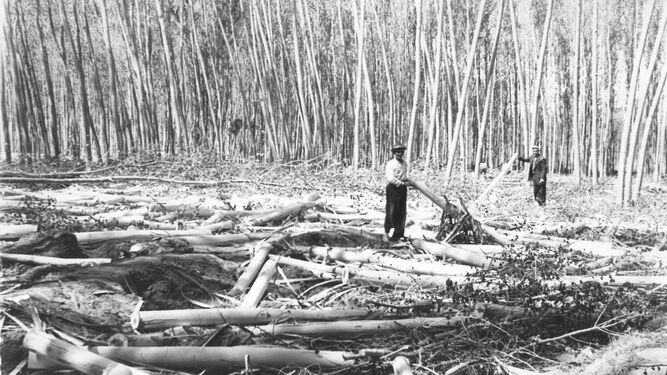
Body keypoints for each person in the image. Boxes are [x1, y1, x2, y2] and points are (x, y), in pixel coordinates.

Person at [384, 144, 410, 241]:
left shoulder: (404, 163)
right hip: (393, 189)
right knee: (391, 211)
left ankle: (398, 235)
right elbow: (390, 178)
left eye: (401, 152)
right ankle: (386, 232)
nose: (399, 154)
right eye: (397, 152)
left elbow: (404, 177)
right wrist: (401, 183)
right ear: (394, 153)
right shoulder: (390, 164)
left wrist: (408, 182)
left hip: (402, 190)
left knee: (402, 212)